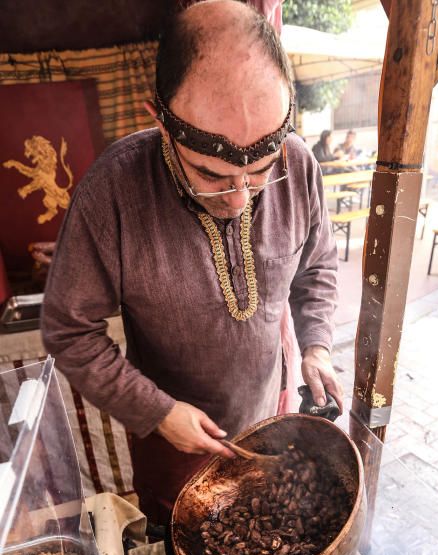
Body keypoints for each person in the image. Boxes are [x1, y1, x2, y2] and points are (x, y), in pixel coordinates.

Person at [41, 0, 342, 524]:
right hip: (174, 446)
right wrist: (158, 413)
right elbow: (70, 330)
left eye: (261, 170)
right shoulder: (113, 191)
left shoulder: (300, 164)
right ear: (159, 118)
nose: (240, 199)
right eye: (212, 173)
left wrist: (316, 346)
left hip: (271, 418)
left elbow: (315, 267)